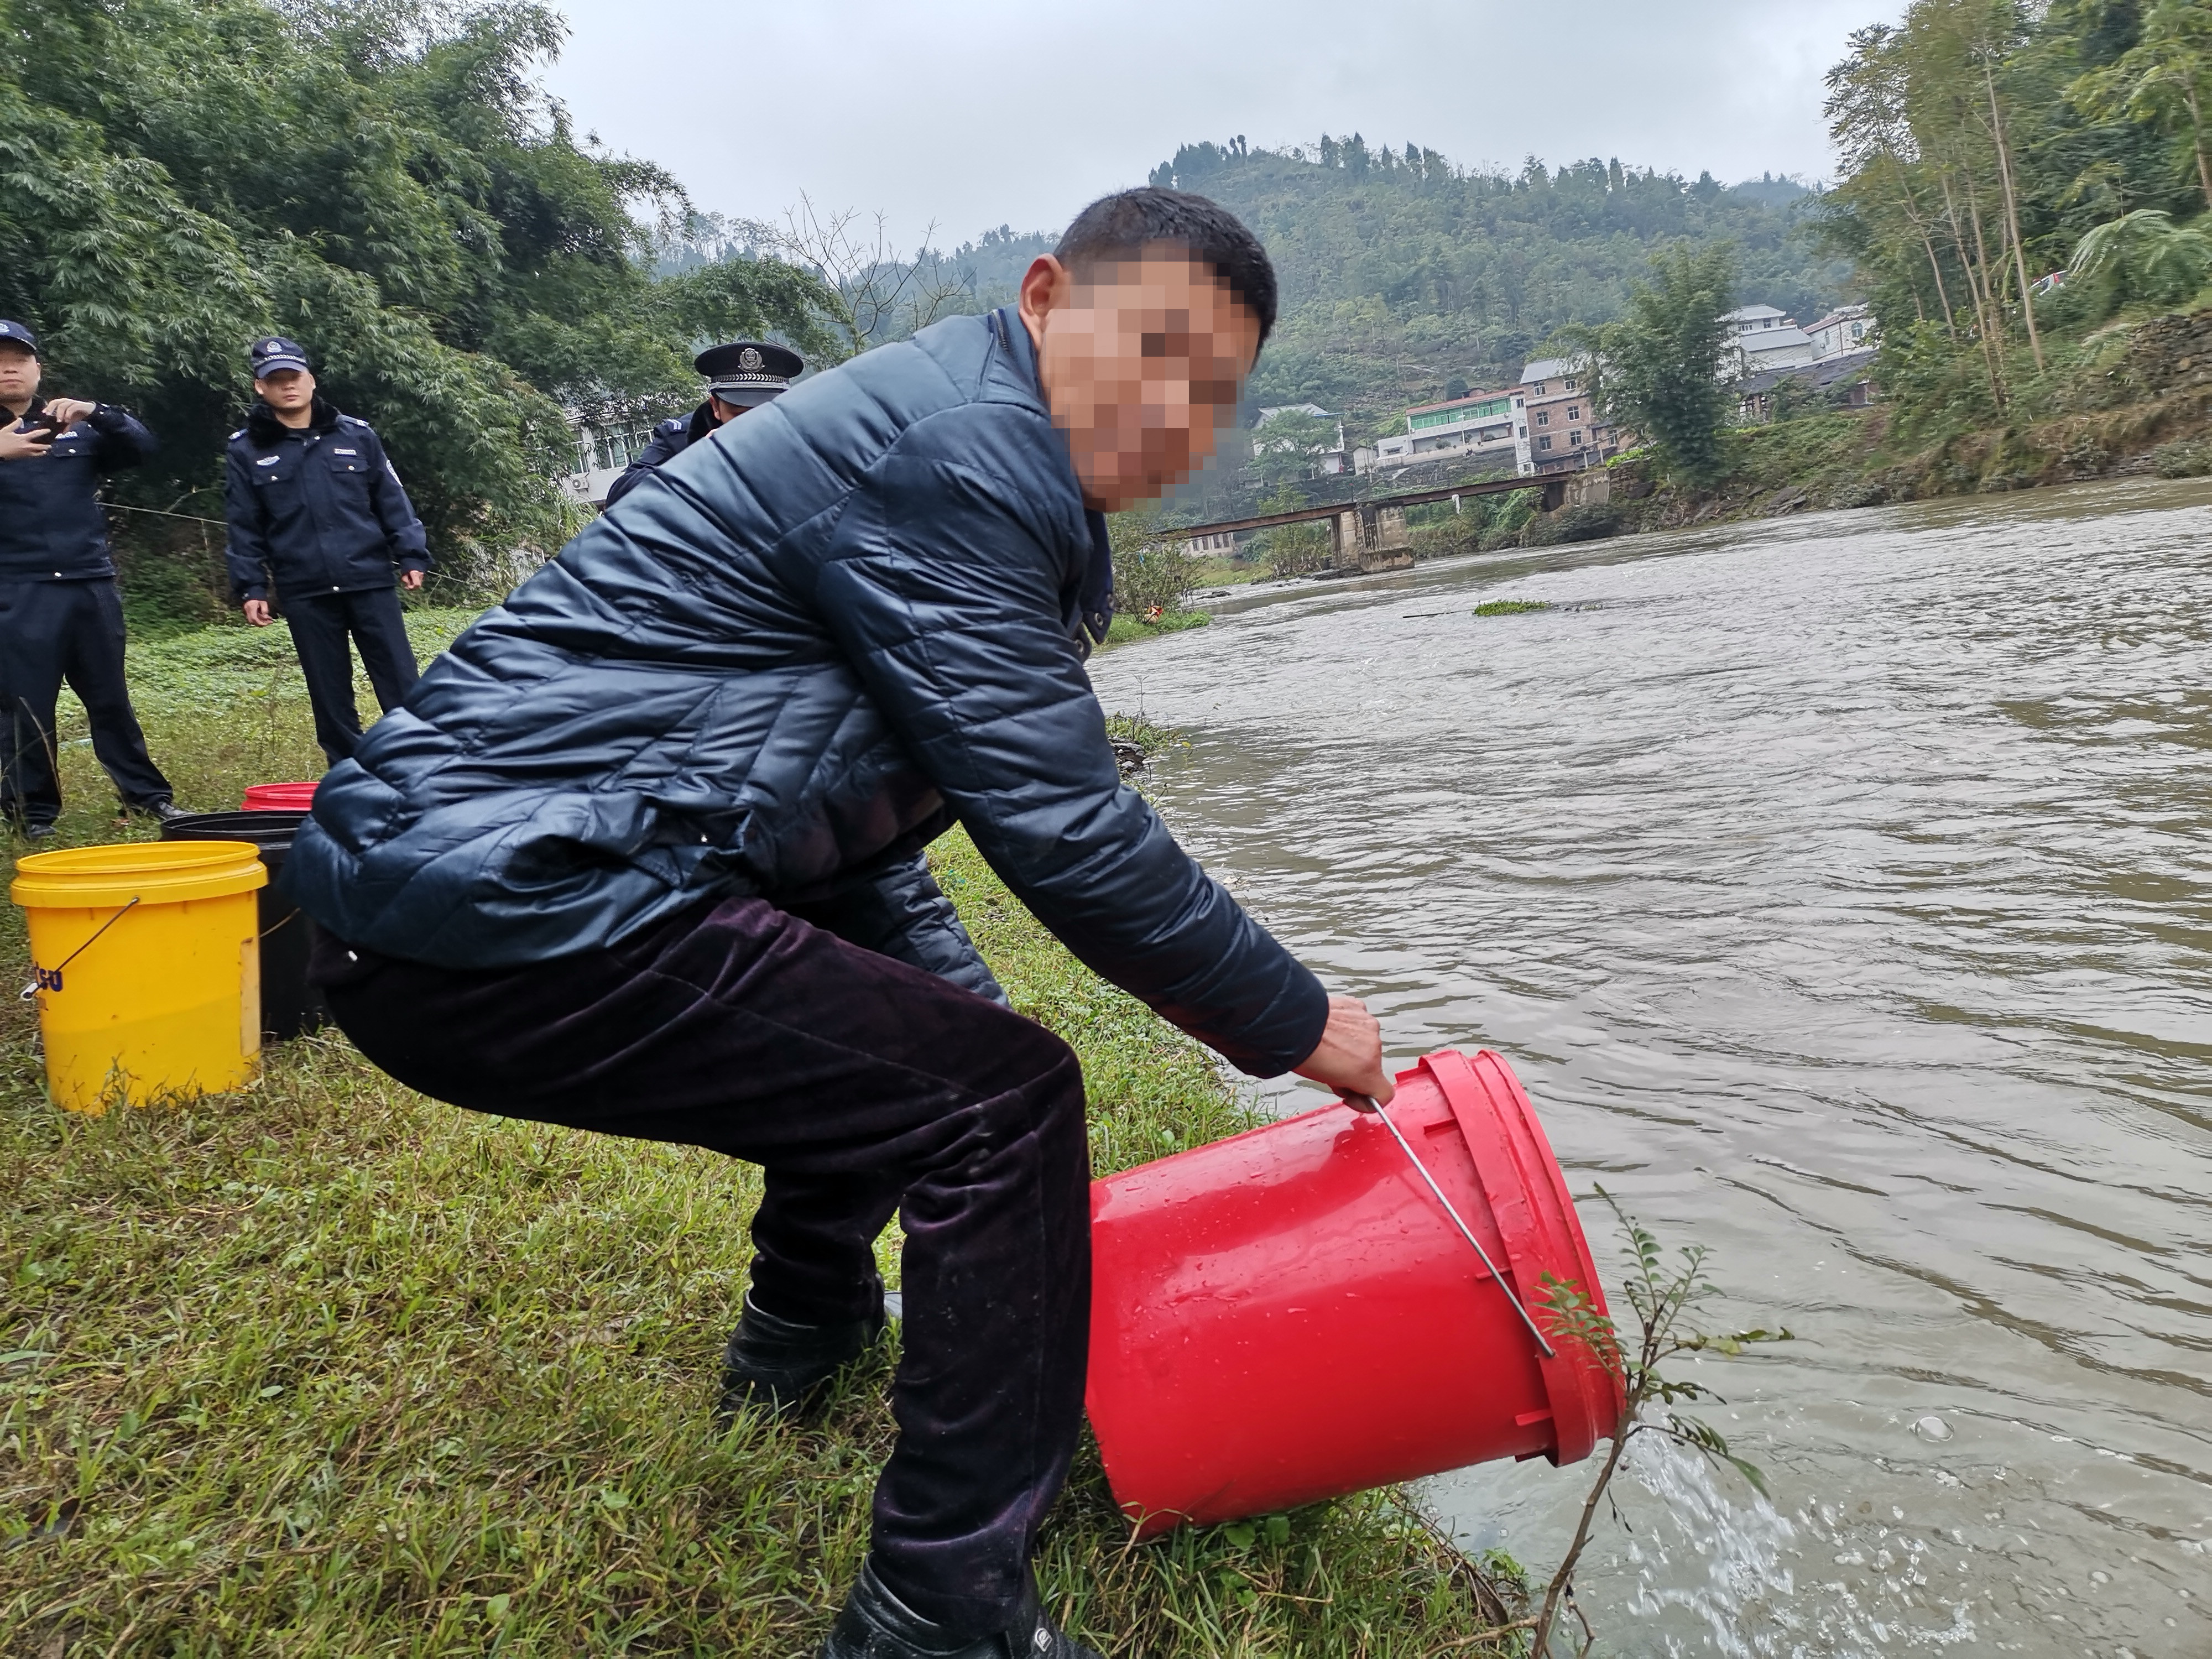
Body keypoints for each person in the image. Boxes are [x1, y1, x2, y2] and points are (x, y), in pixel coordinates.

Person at [286, 189, 1392, 1659]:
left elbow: (838, 827)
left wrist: (965, 1017)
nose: (1178, 412)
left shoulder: (965, 434)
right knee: (1000, 1109)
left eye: (1216, 391)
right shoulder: (965, 451)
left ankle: (800, 1341)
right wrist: (1309, 1026)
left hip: (481, 890)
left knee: (934, 1059)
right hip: (499, 898)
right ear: (1051, 297)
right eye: (1160, 351)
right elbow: (1068, 829)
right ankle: (942, 1605)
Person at [0, 318, 180, 839]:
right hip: (17, 590)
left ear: (39, 369)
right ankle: (30, 816)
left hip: (89, 584)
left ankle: (149, 799)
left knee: (110, 698)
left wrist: (101, 412)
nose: (10, 367)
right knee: (24, 706)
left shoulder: (74, 424)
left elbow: (145, 450)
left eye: (20, 358)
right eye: (0, 360)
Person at [223, 337, 431, 765]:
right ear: (260, 388)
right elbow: (244, 523)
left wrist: (411, 554)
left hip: (368, 577)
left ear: (311, 380)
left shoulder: (357, 435)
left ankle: (418, 762)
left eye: (294, 377)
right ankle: (350, 772)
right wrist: (251, 586)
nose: (287, 387)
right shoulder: (246, 450)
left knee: (400, 679)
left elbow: (391, 499)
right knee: (328, 689)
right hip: (305, 587)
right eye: (275, 381)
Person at [602, 339, 805, 507]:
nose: (750, 424)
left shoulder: (807, 436)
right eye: (738, 414)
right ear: (715, 406)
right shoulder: (682, 437)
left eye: (762, 411)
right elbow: (620, 495)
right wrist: (694, 465)